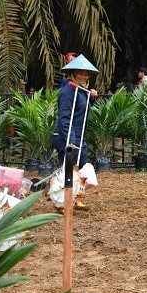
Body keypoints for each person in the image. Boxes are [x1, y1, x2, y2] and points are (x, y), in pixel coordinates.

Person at [52, 55, 98, 210]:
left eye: (86, 74)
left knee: (82, 168)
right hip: (67, 136)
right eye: (80, 73)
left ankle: (77, 198)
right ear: (72, 73)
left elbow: (82, 109)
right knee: (68, 170)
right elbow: (65, 118)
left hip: (79, 136)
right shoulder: (67, 91)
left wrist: (91, 97)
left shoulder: (81, 90)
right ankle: (61, 202)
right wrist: (70, 140)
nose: (83, 76)